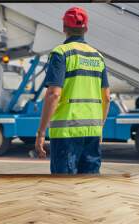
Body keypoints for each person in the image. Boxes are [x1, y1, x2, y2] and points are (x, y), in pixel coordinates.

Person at [35, 7, 111, 174]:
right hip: (92, 132)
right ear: (86, 28)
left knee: (65, 188)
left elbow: (54, 94)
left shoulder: (61, 53)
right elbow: (106, 97)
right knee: (89, 183)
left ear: (64, 27)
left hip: (66, 133)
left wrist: (41, 132)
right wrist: (100, 128)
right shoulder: (98, 57)